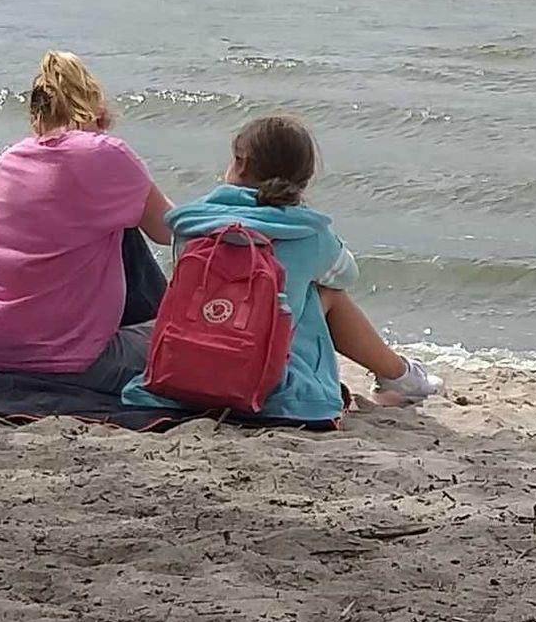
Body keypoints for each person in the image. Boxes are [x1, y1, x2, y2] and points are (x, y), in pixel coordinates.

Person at [123, 113, 443, 422]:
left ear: (241, 163)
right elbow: (347, 274)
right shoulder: (307, 232)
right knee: (323, 292)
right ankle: (399, 375)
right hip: (270, 388)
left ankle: (400, 375)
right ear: (303, 178)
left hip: (185, 375)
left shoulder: (191, 224)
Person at [0, 51, 173, 392]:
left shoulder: (9, 161)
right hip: (69, 365)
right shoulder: (104, 152)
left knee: (117, 225)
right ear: (96, 111)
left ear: (36, 116)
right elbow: (168, 230)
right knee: (184, 339)